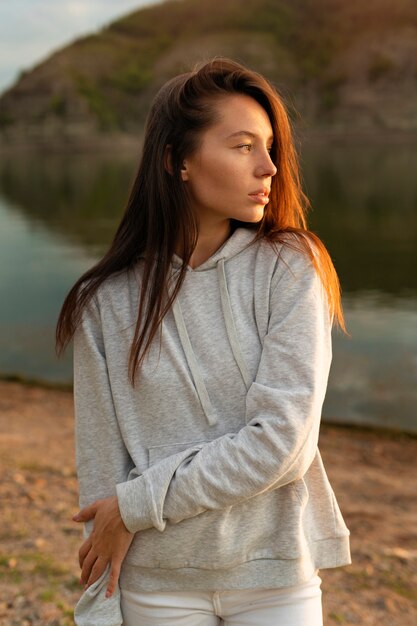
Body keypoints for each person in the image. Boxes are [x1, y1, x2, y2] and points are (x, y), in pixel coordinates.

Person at [56, 57, 351, 626]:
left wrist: (139, 504)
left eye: (269, 147)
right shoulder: (106, 301)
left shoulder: (289, 268)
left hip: (274, 576)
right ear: (178, 161)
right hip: (155, 584)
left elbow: (283, 444)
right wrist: (100, 608)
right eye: (243, 146)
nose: (269, 167)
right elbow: (100, 475)